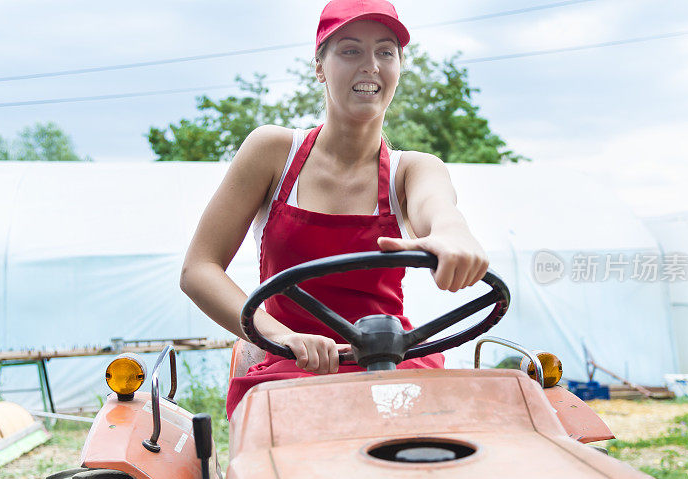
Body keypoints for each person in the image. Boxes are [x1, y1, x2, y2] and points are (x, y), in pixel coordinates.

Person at [180, 0, 489, 419]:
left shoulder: (412, 170)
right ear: (320, 66)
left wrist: (454, 236)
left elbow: (439, 209)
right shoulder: (273, 152)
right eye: (350, 50)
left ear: (399, 66)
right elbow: (199, 269)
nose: (371, 66)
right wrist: (282, 336)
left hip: (390, 362)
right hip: (292, 364)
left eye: (385, 51)